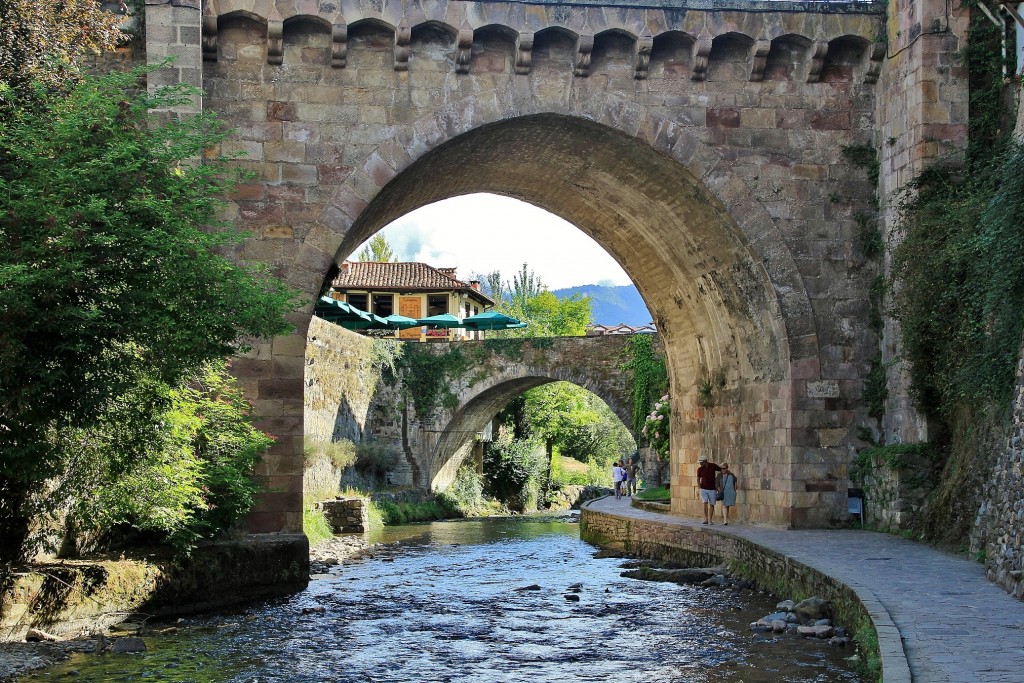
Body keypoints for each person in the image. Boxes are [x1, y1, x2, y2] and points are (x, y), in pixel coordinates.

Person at [696, 455, 721, 525]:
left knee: (712, 504)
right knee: (705, 503)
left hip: (712, 488)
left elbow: (721, 470)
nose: (700, 464)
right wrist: (699, 487)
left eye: (701, 462)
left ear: (705, 461)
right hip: (703, 488)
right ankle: (706, 519)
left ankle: (710, 519)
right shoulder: (700, 469)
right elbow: (698, 478)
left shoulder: (713, 466)